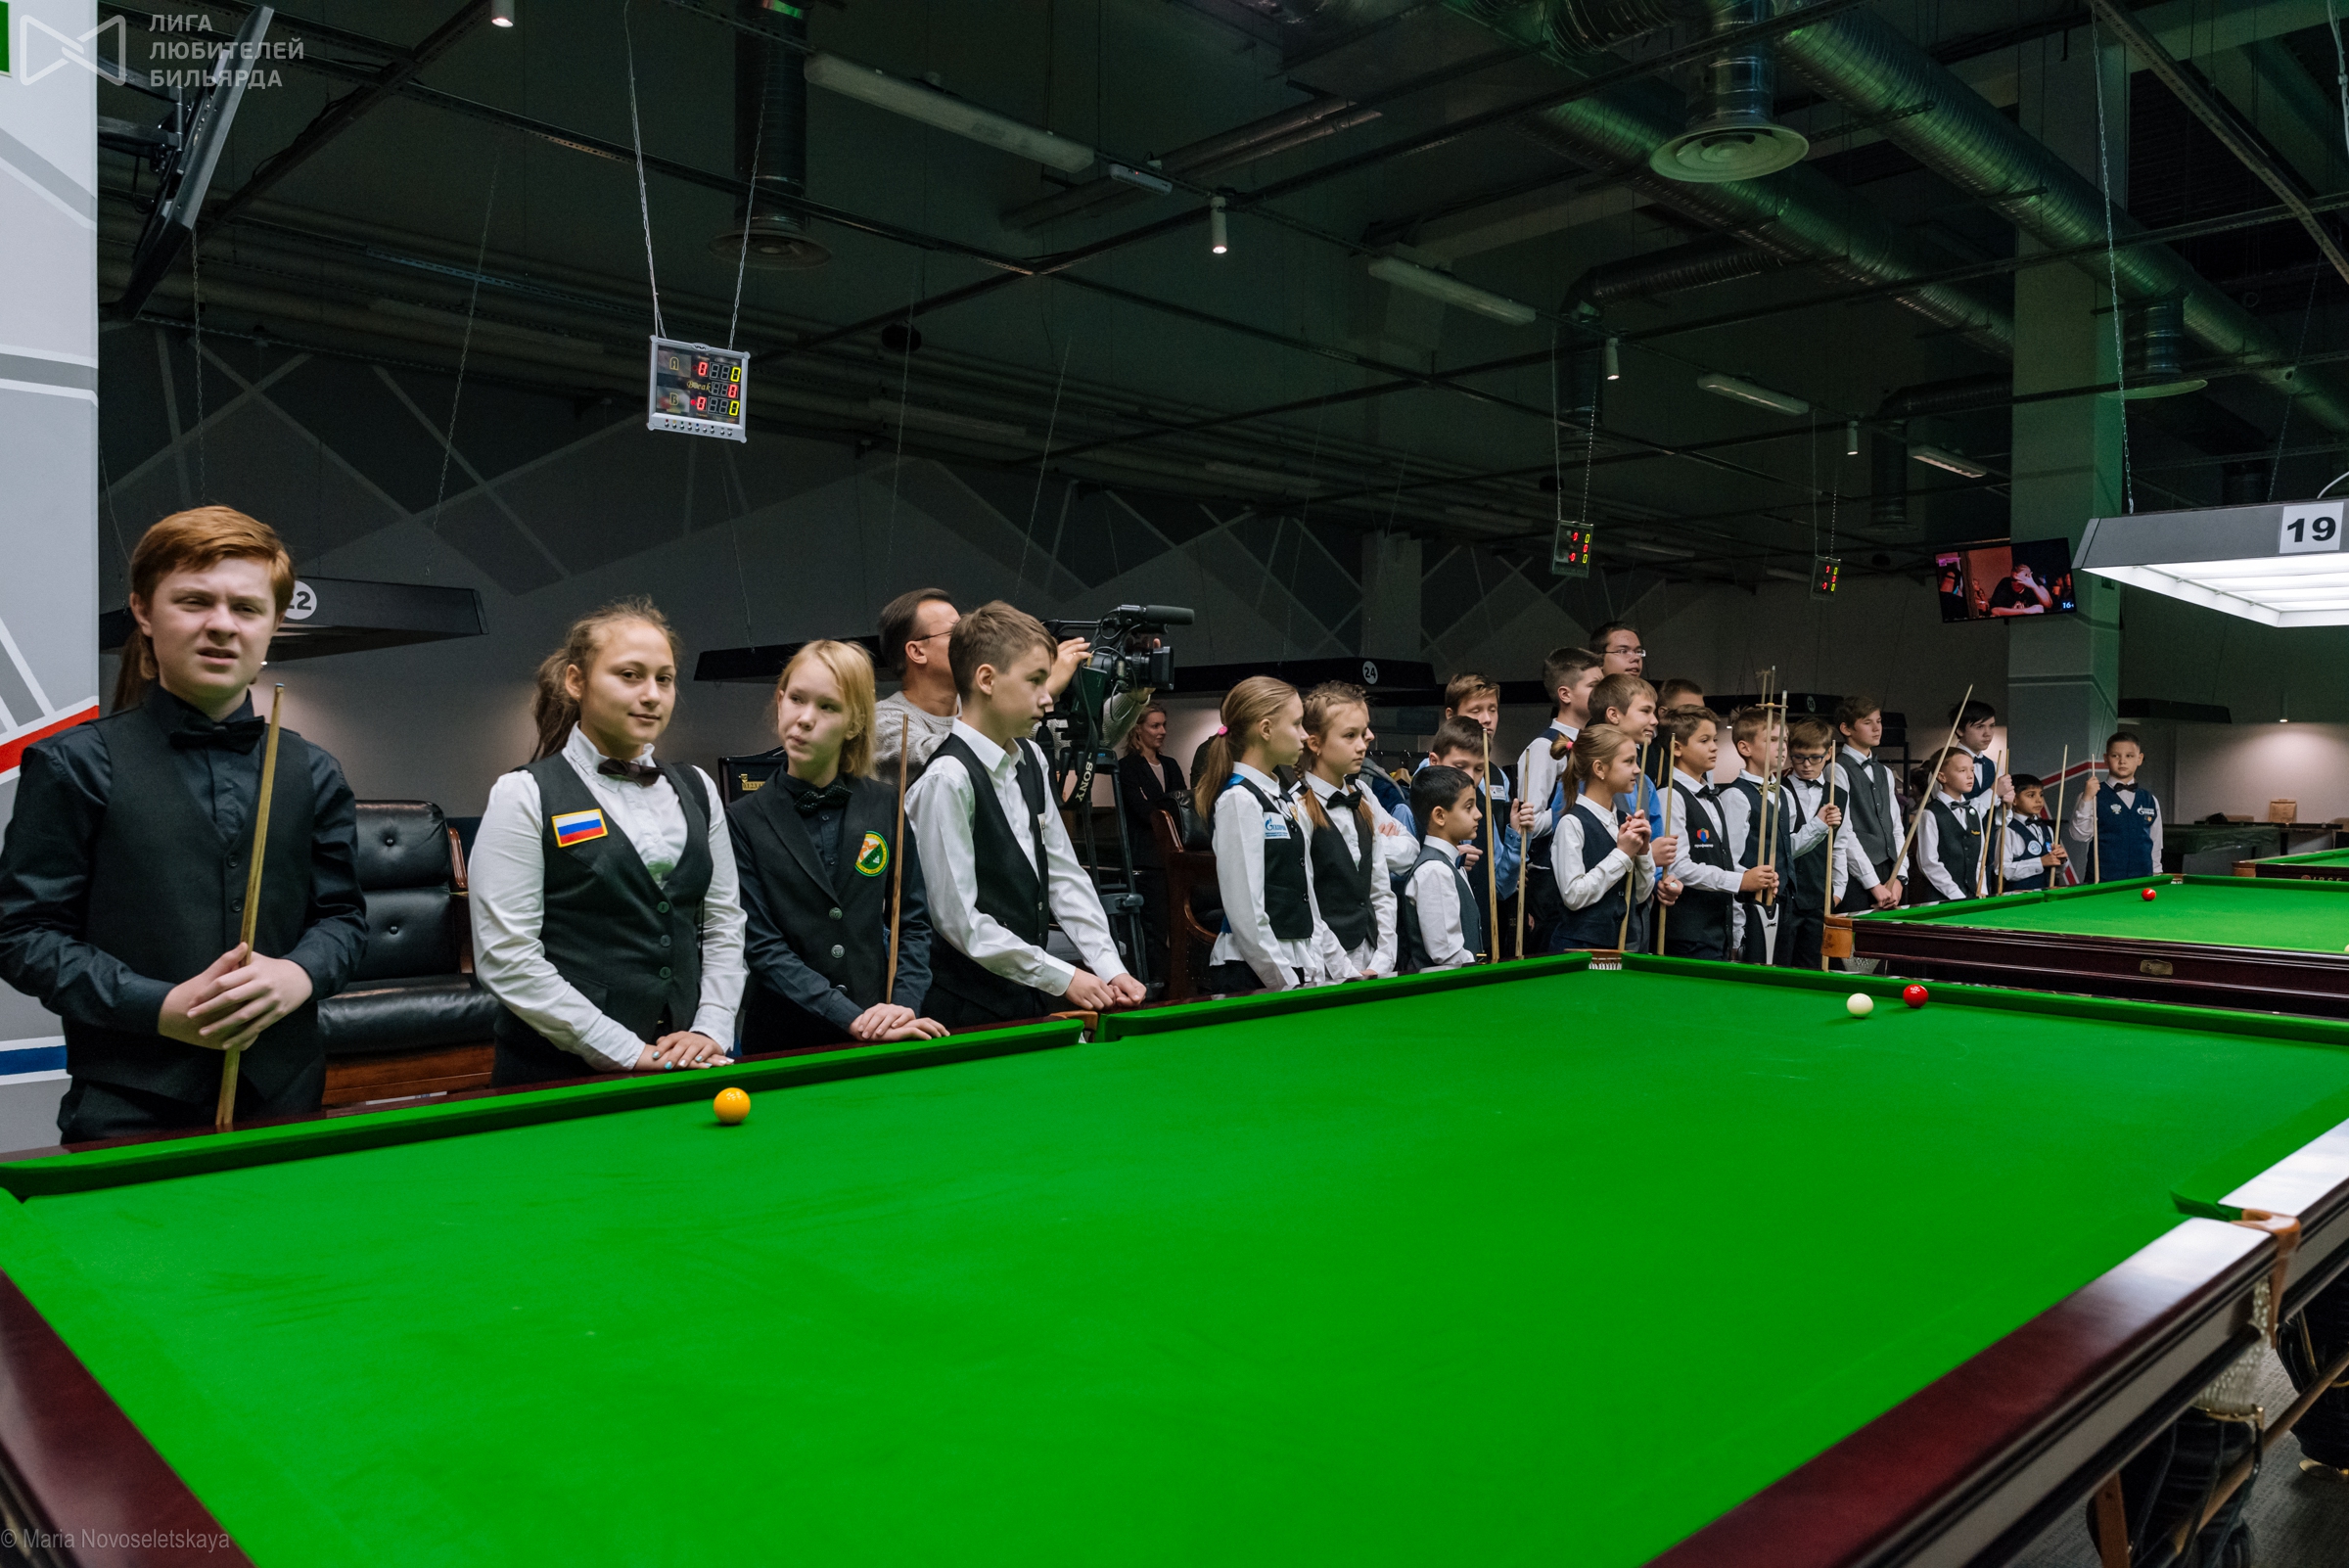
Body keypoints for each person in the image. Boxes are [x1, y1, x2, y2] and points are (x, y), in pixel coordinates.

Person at [0, 508, 368, 1141]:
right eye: (195, 601)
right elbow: (23, 935)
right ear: (143, 611)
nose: (222, 625)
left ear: (274, 624)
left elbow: (344, 920)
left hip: (288, 1098)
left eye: (246, 608)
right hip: (126, 1108)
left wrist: (299, 974)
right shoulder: (71, 765)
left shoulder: (315, 771)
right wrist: (159, 1007)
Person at [472, 600, 747, 1084]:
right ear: (576, 681)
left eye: (665, 679)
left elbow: (723, 923)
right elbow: (506, 959)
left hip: (686, 1062)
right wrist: (625, 1050)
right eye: (629, 675)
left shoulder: (699, 788)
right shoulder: (523, 794)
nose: (652, 695)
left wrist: (711, 1027)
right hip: (556, 1074)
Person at [904, 602, 1146, 1026]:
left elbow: (1064, 875)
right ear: (986, 680)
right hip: (960, 1009)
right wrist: (1063, 976)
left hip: (1025, 995)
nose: (1047, 695)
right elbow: (958, 921)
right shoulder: (947, 779)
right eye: (1035, 680)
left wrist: (1110, 967)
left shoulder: (1032, 757)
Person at [728, 640, 944, 1054]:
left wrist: (902, 1005)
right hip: (783, 1039)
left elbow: (914, 923)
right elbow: (762, 947)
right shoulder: (740, 819)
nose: (805, 718)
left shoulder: (886, 804)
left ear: (854, 724)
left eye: (828, 707)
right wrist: (849, 1016)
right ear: (779, 701)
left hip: (883, 1028)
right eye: (796, 699)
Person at [1192, 677, 1348, 993]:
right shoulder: (1239, 800)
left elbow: (1308, 902)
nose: (1304, 735)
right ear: (1265, 729)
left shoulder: (1284, 799)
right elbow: (1246, 916)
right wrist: (1287, 985)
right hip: (1250, 972)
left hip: (1293, 966)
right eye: (1297, 724)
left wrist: (1344, 971)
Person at [871, 586, 1100, 778]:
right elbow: (946, 759)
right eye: (955, 633)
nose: (968, 639)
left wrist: (1122, 692)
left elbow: (1076, 738)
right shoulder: (883, 720)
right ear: (917, 652)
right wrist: (1037, 691)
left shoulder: (987, 711)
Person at [1298, 682, 1402, 979]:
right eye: (1349, 735)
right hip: (1323, 966)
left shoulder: (1363, 802)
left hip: (1373, 957)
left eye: (1363, 733)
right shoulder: (1297, 808)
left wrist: (1383, 959)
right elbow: (1308, 906)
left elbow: (1381, 892)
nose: (1362, 744)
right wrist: (1344, 970)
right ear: (1315, 743)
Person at [1517, 646, 1602, 954]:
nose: (1601, 693)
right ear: (1565, 694)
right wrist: (1573, 812)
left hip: (1584, 873)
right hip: (1550, 881)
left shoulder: (1593, 743)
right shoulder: (1543, 748)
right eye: (1593, 686)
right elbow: (1528, 824)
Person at [1720, 706, 1819, 964]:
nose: (1782, 747)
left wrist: (1819, 826)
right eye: (1773, 740)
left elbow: (1786, 847)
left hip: (1784, 904)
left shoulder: (1782, 793)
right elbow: (1730, 865)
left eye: (1784, 740)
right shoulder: (1735, 796)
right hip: (1750, 908)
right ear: (1745, 748)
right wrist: (1736, 930)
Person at [1657, 707, 1756, 962]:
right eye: (1704, 741)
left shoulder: (1712, 796)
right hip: (1687, 933)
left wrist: (1752, 877)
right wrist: (1739, 881)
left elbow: (1719, 858)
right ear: (1677, 748)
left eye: (1714, 739)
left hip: (1717, 930)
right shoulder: (1670, 796)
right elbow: (1678, 867)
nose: (1714, 747)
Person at [1548, 724, 1657, 953]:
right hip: (1579, 950)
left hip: (1620, 947)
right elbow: (1573, 895)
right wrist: (1622, 854)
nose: (1637, 769)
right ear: (1600, 768)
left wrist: (1644, 852)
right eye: (1628, 761)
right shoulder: (1572, 823)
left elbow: (1639, 896)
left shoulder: (1624, 820)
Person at [1424, 716, 1525, 960]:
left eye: (1479, 769)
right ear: (1434, 762)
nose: (1471, 778)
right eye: (1460, 767)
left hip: (1480, 945)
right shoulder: (1409, 810)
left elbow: (1500, 888)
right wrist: (1446, 858)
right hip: (1430, 961)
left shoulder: (1482, 813)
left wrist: (1516, 836)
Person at [1116, 701, 1187, 981]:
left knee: (1175, 922)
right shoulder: (1127, 767)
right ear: (1138, 730)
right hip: (1146, 859)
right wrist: (1165, 809)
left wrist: (1161, 809)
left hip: (1173, 855)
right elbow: (1143, 811)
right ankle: (1154, 982)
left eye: (1163, 725)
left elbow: (1182, 808)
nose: (1162, 731)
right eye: (1155, 725)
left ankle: (1171, 979)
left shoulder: (1170, 765)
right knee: (1152, 926)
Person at [1778, 716, 1853, 967]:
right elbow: (1780, 849)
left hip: (1821, 898)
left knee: (1814, 967)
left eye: (1815, 757)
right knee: (1782, 967)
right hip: (1785, 899)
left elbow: (1839, 846)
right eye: (1799, 757)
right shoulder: (1778, 790)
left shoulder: (1839, 794)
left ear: (1829, 753)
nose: (1806, 765)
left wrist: (1838, 891)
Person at [1401, 764, 1484, 971]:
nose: (1478, 814)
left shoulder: (1447, 864)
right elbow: (1447, 954)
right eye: (1468, 807)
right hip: (1446, 987)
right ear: (1439, 816)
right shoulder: (1435, 871)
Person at [1831, 694, 1905, 914]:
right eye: (1867, 722)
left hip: (1890, 876)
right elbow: (1844, 833)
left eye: (1879, 721)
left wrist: (1899, 876)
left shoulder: (1885, 772)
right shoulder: (1836, 769)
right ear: (1846, 728)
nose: (1876, 728)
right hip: (1856, 876)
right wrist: (1873, 884)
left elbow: (1896, 827)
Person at [2070, 730, 2162, 882]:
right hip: (2103, 881)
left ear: (2139, 759)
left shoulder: (2150, 799)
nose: (2122, 761)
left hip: (2142, 880)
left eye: (2129, 756)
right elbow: (2079, 835)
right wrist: (2086, 798)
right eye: (2115, 756)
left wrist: (2157, 874)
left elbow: (2156, 844)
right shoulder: (2092, 795)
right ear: (2106, 759)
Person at [1916, 746, 1989, 903]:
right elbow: (1928, 863)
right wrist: (1957, 895)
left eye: (1972, 770)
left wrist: (1981, 891)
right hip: (1941, 900)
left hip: (1973, 897)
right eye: (1962, 771)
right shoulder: (1929, 813)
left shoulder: (1974, 812)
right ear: (1942, 777)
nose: (1970, 776)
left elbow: (1979, 860)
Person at [1997, 773, 2066, 893]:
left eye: (2041, 795)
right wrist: (2040, 862)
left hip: (2046, 896)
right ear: (2014, 799)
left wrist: (2061, 861)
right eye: (2031, 795)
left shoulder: (2047, 829)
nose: (2039, 800)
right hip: (2019, 898)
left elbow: (2056, 871)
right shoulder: (2006, 830)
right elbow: (2002, 870)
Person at [1949, 699, 2014, 814]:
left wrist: (2006, 808)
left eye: (1991, 726)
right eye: (1979, 727)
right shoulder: (1945, 765)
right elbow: (1951, 815)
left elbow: (1998, 821)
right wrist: (1992, 793)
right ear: (1959, 730)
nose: (1988, 733)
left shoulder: (1994, 766)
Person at [1987, 559, 2056, 617]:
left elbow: (2048, 604)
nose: (2015, 583)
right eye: (2013, 580)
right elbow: (1994, 610)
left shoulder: (2034, 583)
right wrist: (2027, 611)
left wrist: (2034, 586)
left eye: (2020, 580)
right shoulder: (2005, 583)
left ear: (2028, 578)